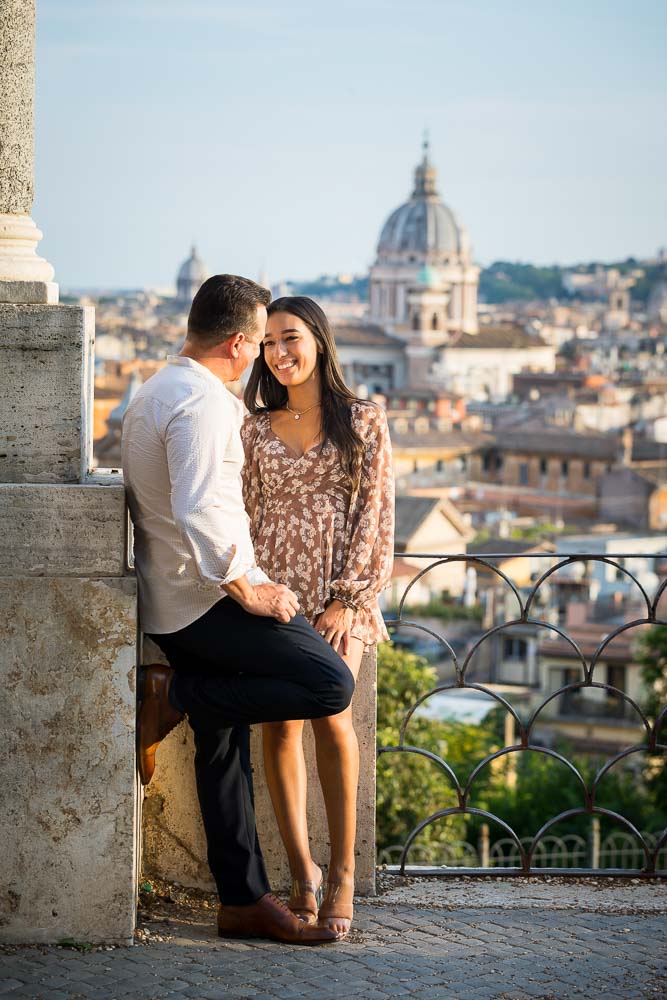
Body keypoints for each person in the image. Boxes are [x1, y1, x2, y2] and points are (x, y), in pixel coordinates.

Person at [122, 275, 354, 946]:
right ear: (236, 342)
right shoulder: (201, 404)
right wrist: (244, 585)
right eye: (256, 343)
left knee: (223, 745)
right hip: (205, 602)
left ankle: (243, 899)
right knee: (328, 682)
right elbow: (201, 506)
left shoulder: (157, 387)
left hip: (171, 602)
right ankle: (174, 693)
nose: (259, 358)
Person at [241, 296, 394, 939]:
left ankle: (344, 874)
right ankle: (302, 874)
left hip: (339, 596)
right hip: (276, 595)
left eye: (291, 338)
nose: (280, 353)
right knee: (278, 729)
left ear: (320, 341)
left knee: (333, 721)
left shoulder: (364, 421)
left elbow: (376, 519)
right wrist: (252, 592)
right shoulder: (251, 430)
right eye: (268, 343)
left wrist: (346, 599)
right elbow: (242, 521)